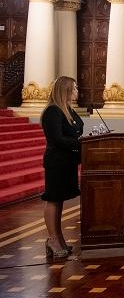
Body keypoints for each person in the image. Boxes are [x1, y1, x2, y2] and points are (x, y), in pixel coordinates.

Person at [40, 76, 84, 259]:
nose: (76, 91)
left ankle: (59, 238)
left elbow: (77, 130)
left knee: (60, 201)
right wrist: (79, 143)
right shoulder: (53, 111)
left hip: (68, 162)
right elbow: (57, 139)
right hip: (56, 162)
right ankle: (52, 238)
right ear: (65, 90)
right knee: (53, 199)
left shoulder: (68, 110)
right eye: (73, 88)